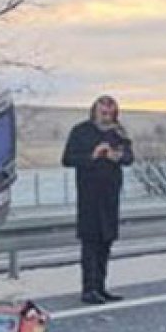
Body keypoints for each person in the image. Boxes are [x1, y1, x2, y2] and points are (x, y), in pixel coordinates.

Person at [62, 95, 134, 304]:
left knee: (106, 241)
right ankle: (88, 288)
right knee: (90, 242)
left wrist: (117, 156)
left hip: (111, 195)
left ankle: (101, 286)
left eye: (110, 113)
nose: (106, 116)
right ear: (94, 111)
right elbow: (67, 159)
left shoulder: (118, 132)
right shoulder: (80, 131)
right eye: (102, 112)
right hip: (89, 196)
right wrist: (92, 156)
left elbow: (130, 158)